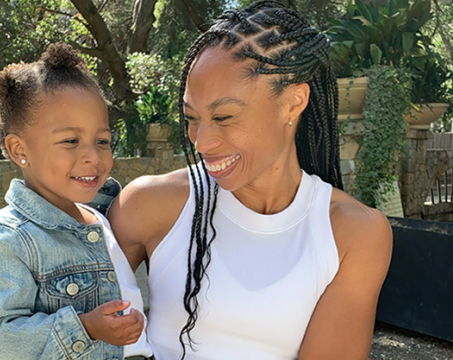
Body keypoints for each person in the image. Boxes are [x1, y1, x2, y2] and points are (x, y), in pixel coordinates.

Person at [108, 2, 392, 359]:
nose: (201, 141)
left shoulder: (353, 233)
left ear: (293, 101)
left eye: (224, 116)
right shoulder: (149, 205)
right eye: (192, 117)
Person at [0, 42, 152, 360]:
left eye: (102, 141)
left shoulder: (102, 216)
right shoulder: (10, 238)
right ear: (19, 149)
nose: (92, 156)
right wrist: (86, 328)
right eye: (71, 141)